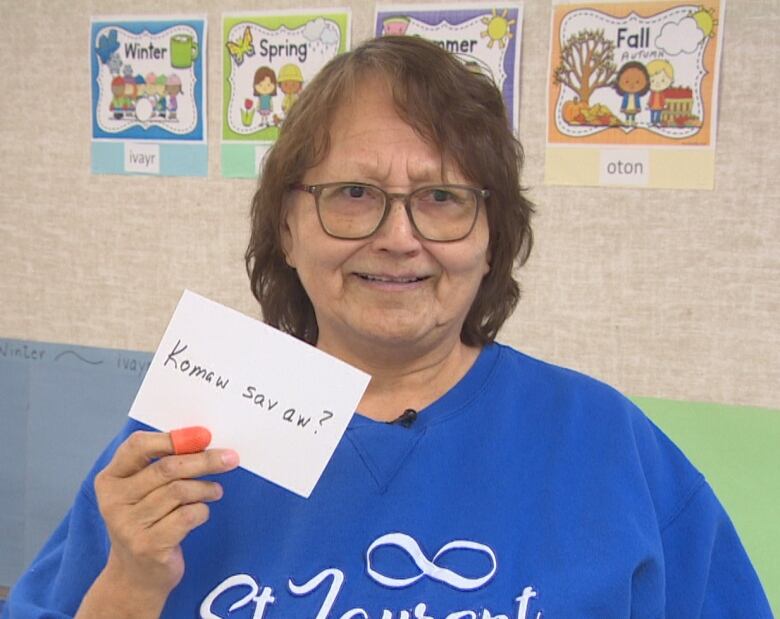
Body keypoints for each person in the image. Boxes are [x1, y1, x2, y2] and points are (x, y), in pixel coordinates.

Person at [3, 37, 773, 619]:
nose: (398, 236)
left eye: (441, 198)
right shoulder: (184, 442)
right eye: (352, 192)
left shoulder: (610, 446)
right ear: (288, 226)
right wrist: (132, 580)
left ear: (491, 235)